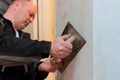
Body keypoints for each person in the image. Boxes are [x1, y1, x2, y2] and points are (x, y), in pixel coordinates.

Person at [0, 0, 73, 80]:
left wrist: (40, 67)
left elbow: (25, 73)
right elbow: (4, 47)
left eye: (33, 18)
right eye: (30, 14)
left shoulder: (24, 38)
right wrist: (48, 47)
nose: (31, 20)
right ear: (17, 6)